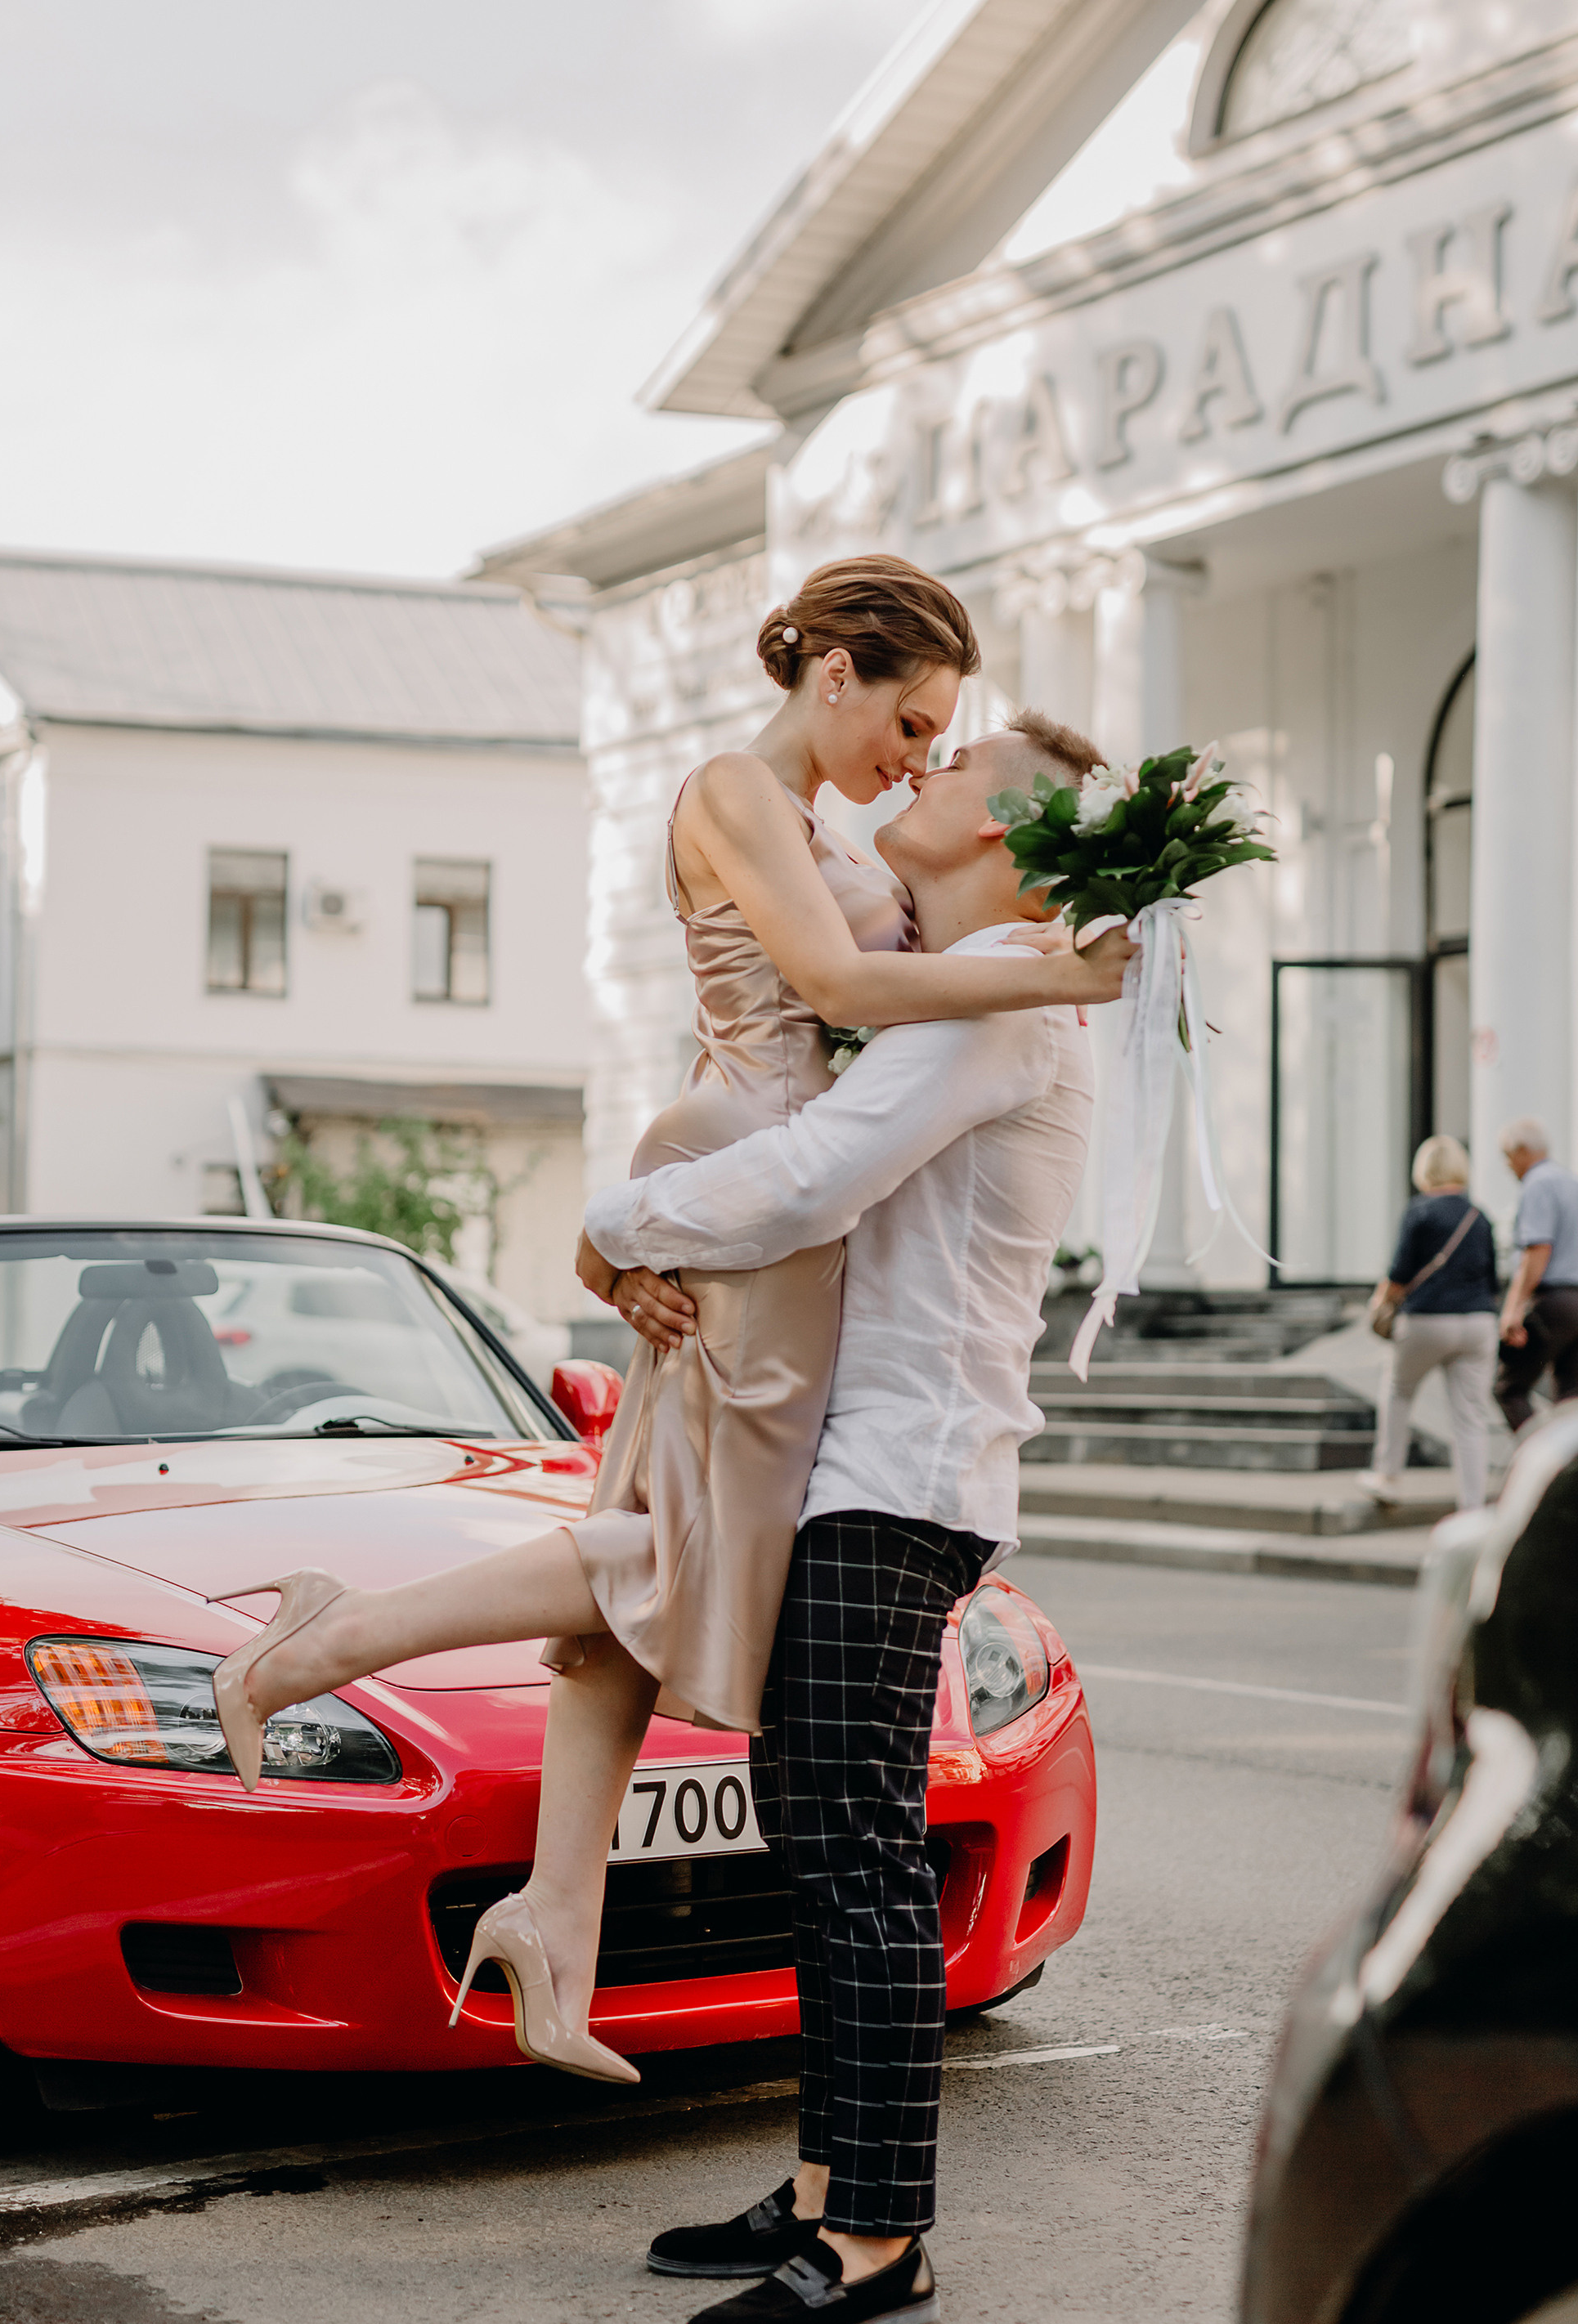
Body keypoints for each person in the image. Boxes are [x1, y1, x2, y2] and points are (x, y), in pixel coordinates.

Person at [213, 556, 1132, 2085]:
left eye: (938, 741)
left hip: (780, 1190)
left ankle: (554, 1924)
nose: (915, 755)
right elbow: (838, 978)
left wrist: (1025, 950)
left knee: (662, 1527)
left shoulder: (837, 825)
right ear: (829, 670)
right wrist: (1035, 978)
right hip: (750, 1175)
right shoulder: (731, 786)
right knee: (696, 1545)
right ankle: (330, 1640)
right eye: (909, 720)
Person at [580, 713, 1108, 2324]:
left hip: (903, 1474)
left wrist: (609, 1231)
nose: (915, 779)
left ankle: (877, 2243)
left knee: (854, 1851)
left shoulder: (1002, 1002)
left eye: (951, 778)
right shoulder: (966, 989)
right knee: (817, 1835)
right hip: (862, 1467)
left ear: (1003, 844)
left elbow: (808, 1179)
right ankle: (829, 2184)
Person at [1358, 1135, 1497, 1511]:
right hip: (1478, 1323)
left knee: (1399, 1391)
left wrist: (1380, 1302)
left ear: (1424, 1170)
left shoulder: (1420, 1211)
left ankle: (1387, 1478)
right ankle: (1473, 1508)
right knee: (1471, 1419)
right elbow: (1491, 1277)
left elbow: (1399, 1273)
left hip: (1427, 1320)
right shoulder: (1479, 1216)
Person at [1495, 1117, 1578, 1431]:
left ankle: (1544, 1467)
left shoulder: (1538, 1184)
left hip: (1553, 1301)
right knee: (1570, 1398)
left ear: (1522, 1151)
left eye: (1507, 1156)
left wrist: (1513, 1308)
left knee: (1509, 1388)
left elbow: (1537, 1250)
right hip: (1576, 1301)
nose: (1506, 1165)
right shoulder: (1571, 1182)